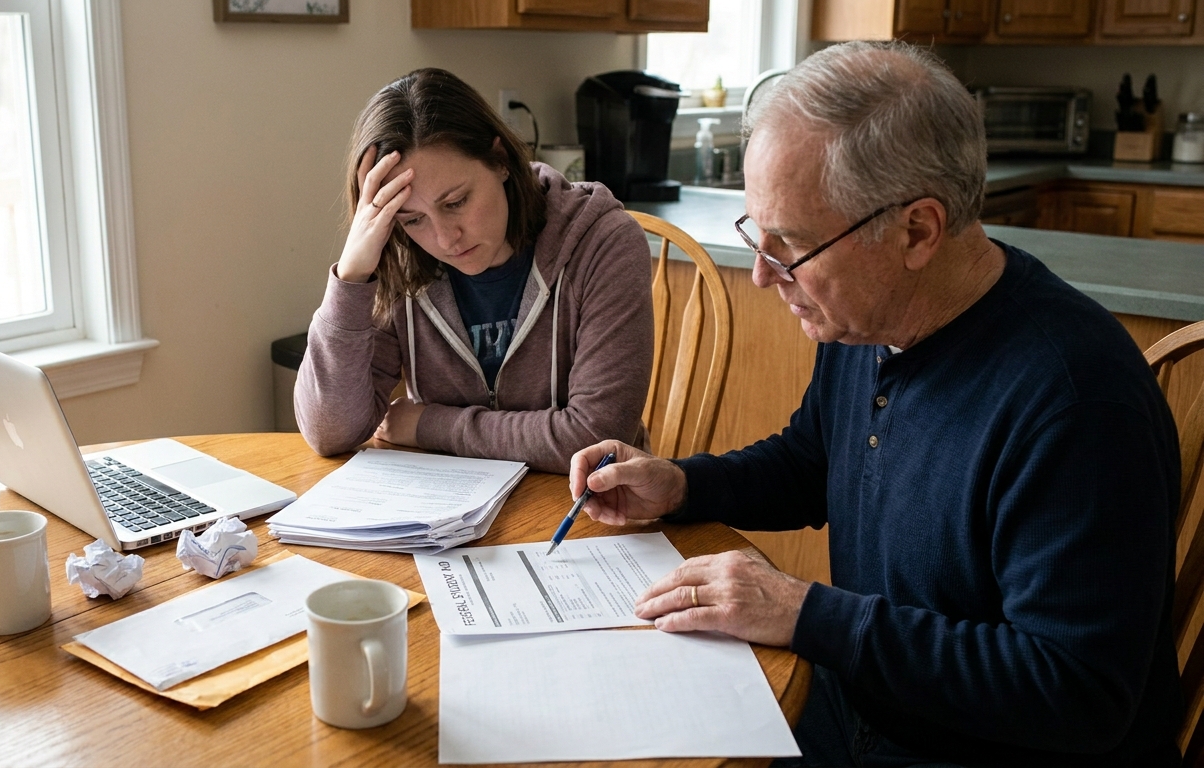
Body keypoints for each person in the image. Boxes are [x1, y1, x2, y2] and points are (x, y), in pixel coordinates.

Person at [569, 41, 1183, 767]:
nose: (764, 275)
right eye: (754, 234)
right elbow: (811, 460)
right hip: (861, 708)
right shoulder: (869, 321)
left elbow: (1076, 693)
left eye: (789, 245)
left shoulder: (1076, 402)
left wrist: (806, 613)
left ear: (917, 230)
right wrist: (681, 483)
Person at [295, 68, 653, 475]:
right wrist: (353, 275)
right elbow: (329, 432)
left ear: (499, 160)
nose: (446, 239)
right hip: (448, 516)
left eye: (456, 202)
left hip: (583, 512)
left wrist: (429, 423)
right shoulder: (402, 256)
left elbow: (594, 438)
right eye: (413, 220)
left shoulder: (603, 242)